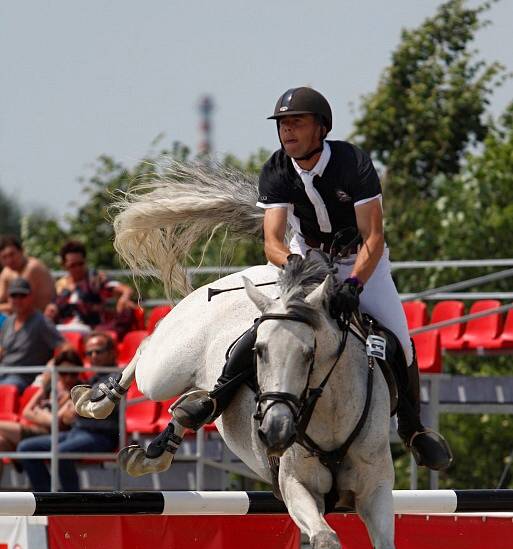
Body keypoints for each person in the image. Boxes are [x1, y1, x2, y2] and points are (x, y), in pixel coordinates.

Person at [169, 87, 451, 472]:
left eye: (297, 123)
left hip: (360, 260)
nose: (288, 132)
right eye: (283, 124)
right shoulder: (277, 169)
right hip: (305, 260)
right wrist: (300, 267)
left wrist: (353, 285)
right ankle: (217, 397)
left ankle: (413, 428)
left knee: (398, 339)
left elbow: (373, 236)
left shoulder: (352, 163)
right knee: (268, 327)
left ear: (321, 128)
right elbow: (272, 241)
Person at [18, 332, 119, 491]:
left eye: (98, 351)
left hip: (101, 435)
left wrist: (75, 409)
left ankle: (72, 502)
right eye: (89, 353)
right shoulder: (93, 378)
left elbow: (86, 406)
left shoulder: (118, 378)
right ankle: (46, 497)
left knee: (60, 453)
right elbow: (69, 413)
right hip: (78, 431)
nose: (93, 356)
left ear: (112, 353)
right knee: (26, 448)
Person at [44, 240, 136, 339]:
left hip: (91, 331)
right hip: (65, 330)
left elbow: (126, 290)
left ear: (85, 261)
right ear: (64, 266)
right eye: (73, 265)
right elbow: (52, 309)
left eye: (80, 264)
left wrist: (124, 298)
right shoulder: (60, 286)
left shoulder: (95, 280)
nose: (77, 268)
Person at [0, 348, 82, 452]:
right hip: (34, 429)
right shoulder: (50, 386)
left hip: (50, 434)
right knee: (0, 442)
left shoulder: (78, 392)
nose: (68, 378)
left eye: (73, 374)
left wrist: (38, 412)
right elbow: (26, 412)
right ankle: (19, 466)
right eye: (63, 373)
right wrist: (45, 416)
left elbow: (55, 422)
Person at [0, 277, 64, 392]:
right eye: (14, 296)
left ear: (31, 297)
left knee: (5, 388)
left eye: (22, 295)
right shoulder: (8, 322)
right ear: (8, 299)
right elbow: (2, 350)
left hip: (23, 377)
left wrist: (50, 366)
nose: (18, 300)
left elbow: (64, 348)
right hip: (3, 372)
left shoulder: (42, 322)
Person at [0, 235, 55, 313]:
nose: (9, 260)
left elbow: (20, 304)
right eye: (4, 257)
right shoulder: (7, 271)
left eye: (12, 254)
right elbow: (1, 297)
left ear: (21, 251)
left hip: (41, 319)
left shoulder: (32, 268)